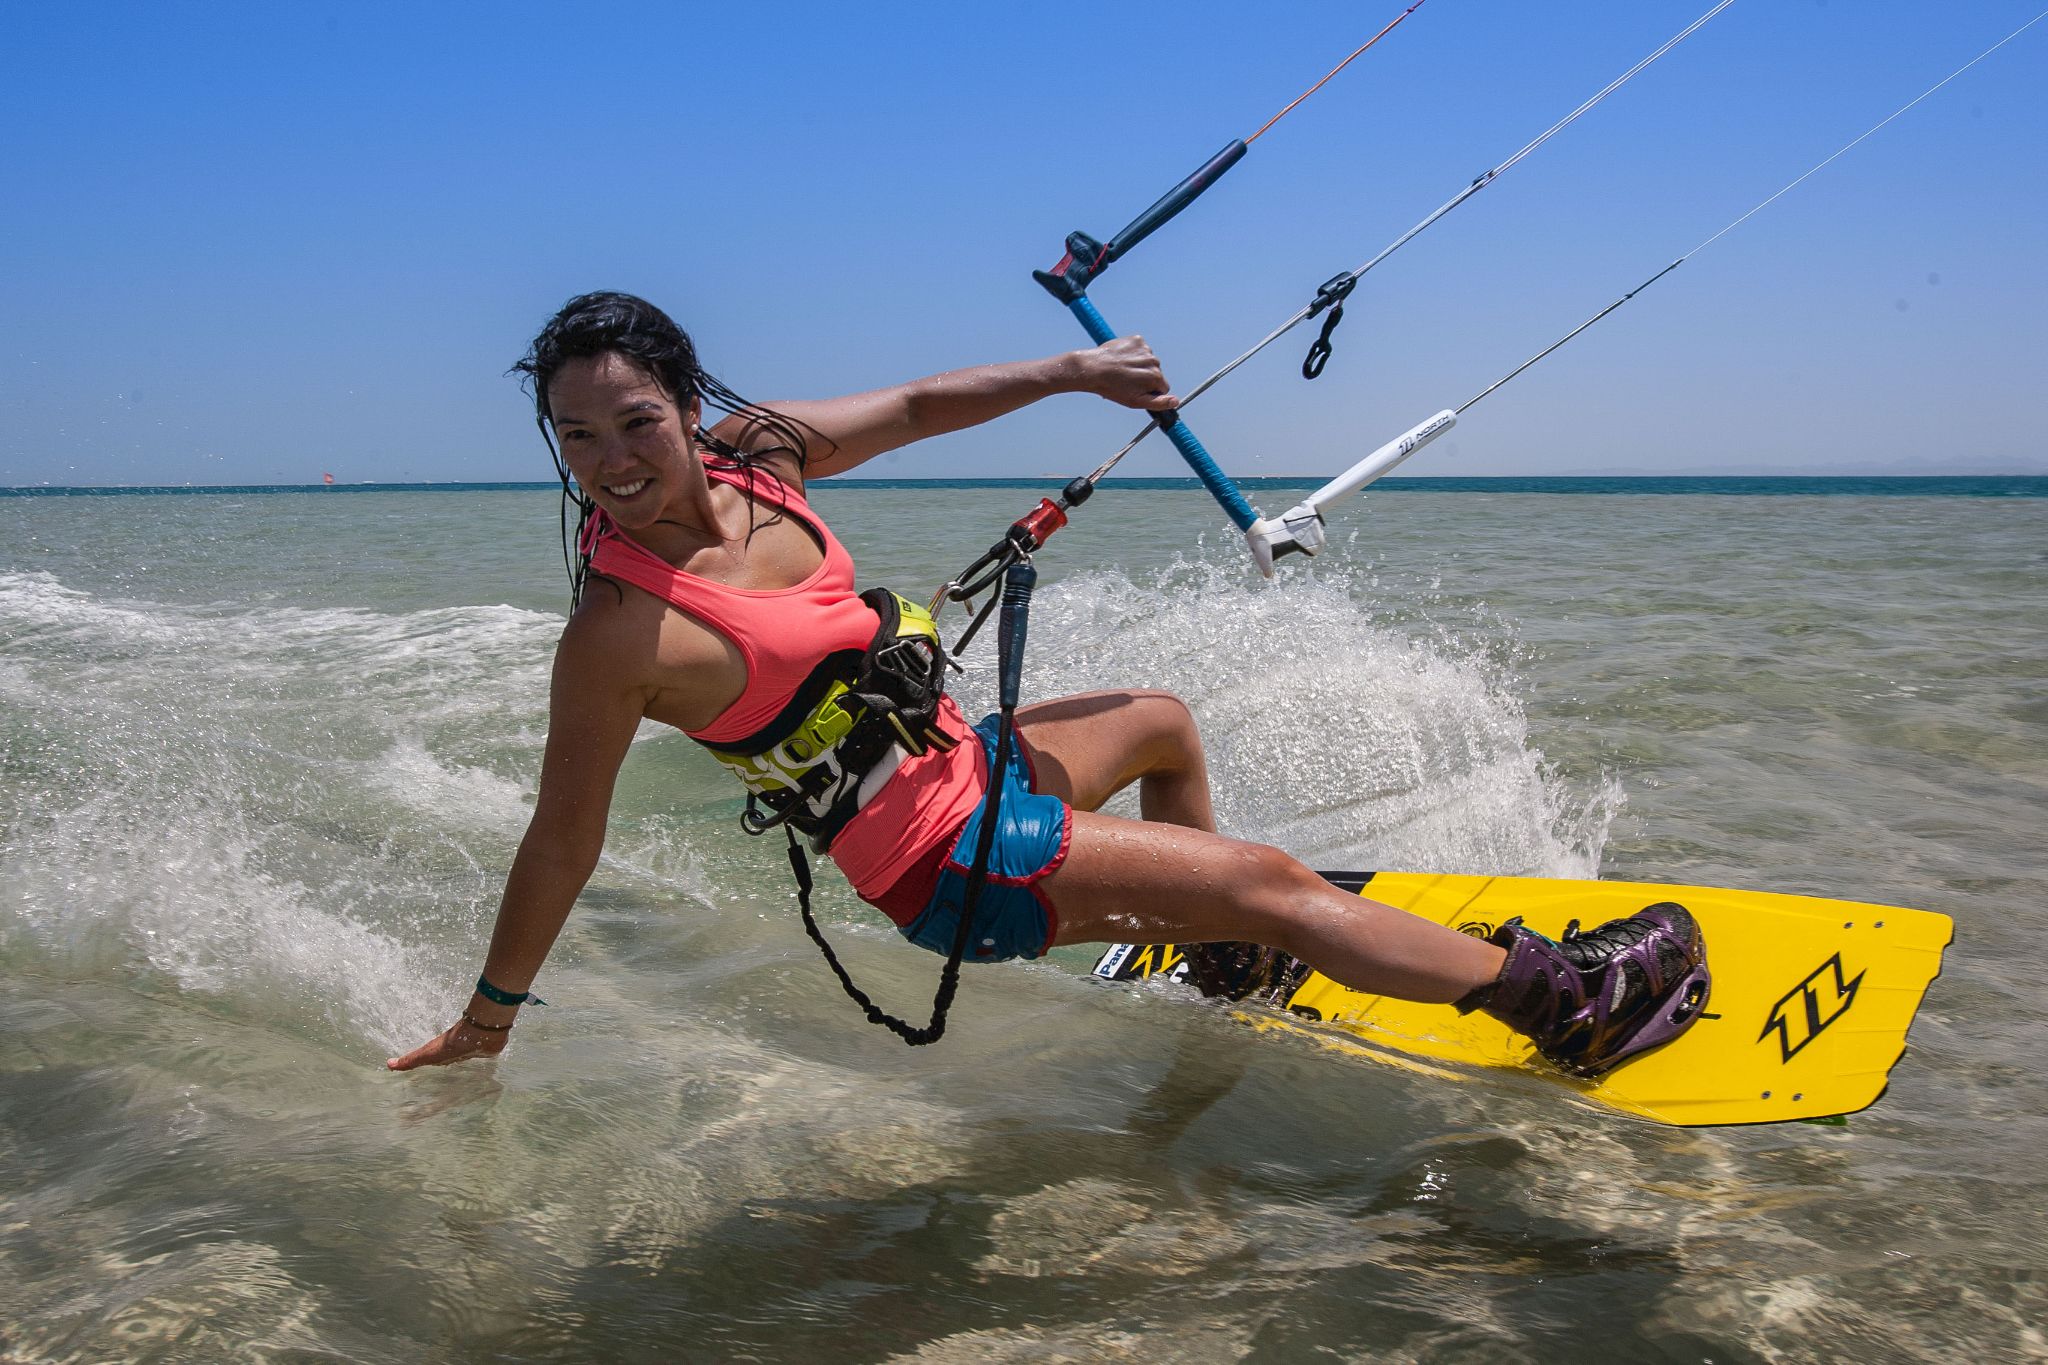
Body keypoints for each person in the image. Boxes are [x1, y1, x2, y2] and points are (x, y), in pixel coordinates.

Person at [386, 292, 1706, 1078]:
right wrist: (490, 1017)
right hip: (945, 865)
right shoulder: (619, 630)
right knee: (1267, 875)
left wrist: (1075, 371)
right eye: (576, 436)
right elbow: (562, 838)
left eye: (635, 422)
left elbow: (917, 405)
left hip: (978, 770)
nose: (611, 461)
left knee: (1163, 723)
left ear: (686, 405)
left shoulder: (758, 457)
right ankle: (1563, 1006)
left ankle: (1224, 956)